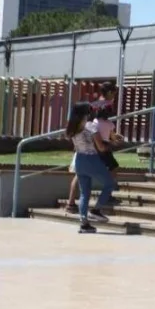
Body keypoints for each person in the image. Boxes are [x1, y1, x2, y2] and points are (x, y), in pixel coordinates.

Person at [66, 82, 117, 214]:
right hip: (92, 153)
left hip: (81, 154)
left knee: (83, 187)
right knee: (109, 180)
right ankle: (99, 205)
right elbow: (100, 145)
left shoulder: (73, 128)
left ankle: (79, 214)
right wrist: (108, 143)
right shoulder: (92, 123)